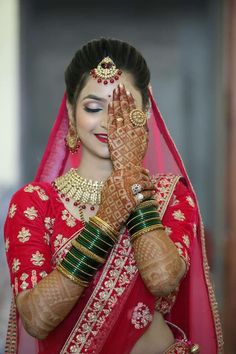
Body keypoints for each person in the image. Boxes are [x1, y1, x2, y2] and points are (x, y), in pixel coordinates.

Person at [4, 38, 223, 354]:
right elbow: (37, 319)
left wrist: (130, 180)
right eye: (94, 107)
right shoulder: (34, 204)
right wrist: (106, 219)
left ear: (145, 111)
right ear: (70, 111)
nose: (108, 121)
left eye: (123, 108)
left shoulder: (170, 195)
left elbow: (162, 279)